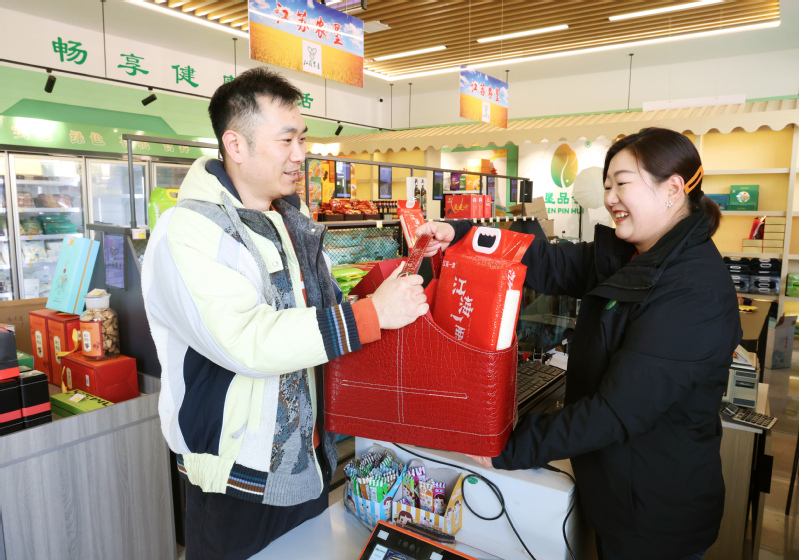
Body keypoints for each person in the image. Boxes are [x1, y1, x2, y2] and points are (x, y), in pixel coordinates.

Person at [142, 67, 428, 560]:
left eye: (302, 138)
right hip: (237, 482)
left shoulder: (289, 219)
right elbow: (247, 341)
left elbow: (315, 316)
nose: (300, 154)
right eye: (286, 140)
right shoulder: (189, 229)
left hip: (306, 465)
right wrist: (369, 316)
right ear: (235, 144)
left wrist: (400, 279)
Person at [416, 127, 741, 560]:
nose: (610, 198)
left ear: (673, 188)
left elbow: (616, 412)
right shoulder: (633, 255)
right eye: (607, 186)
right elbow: (544, 260)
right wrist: (457, 234)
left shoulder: (692, 290)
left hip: (654, 515)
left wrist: (508, 447)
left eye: (622, 183)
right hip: (618, 495)